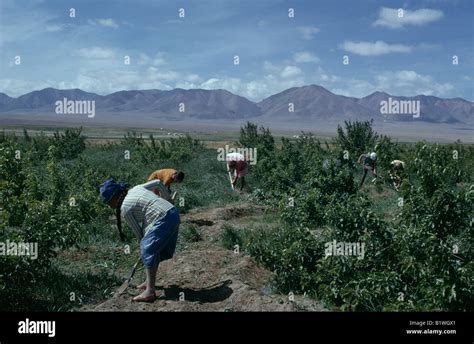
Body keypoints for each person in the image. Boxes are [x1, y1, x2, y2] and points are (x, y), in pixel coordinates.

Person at [99, 178, 180, 303]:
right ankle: (148, 282)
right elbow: (158, 183)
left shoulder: (125, 208)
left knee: (148, 250)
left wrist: (144, 251)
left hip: (163, 218)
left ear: (115, 197)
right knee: (153, 249)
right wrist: (168, 200)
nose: (110, 206)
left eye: (109, 202)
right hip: (172, 212)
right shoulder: (136, 188)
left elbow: (140, 235)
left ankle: (150, 292)